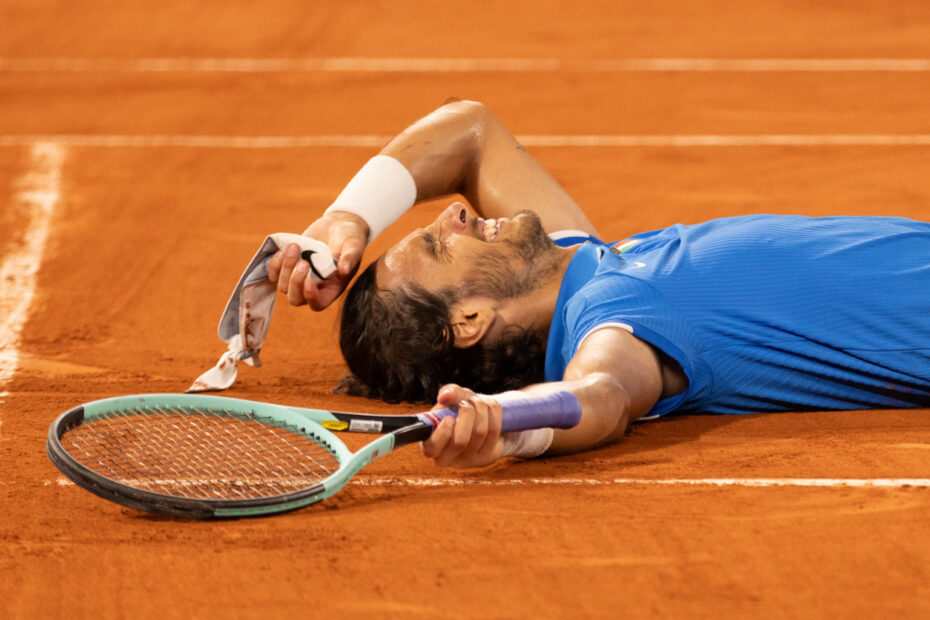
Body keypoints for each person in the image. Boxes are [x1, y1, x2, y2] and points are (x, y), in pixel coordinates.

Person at [267, 99, 930, 469]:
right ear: (469, 319)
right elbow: (602, 397)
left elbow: (470, 132)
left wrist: (347, 217)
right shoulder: (612, 319)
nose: (456, 211)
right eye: (443, 243)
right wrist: (510, 421)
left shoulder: (583, 257)